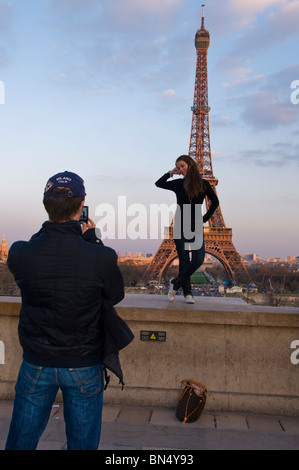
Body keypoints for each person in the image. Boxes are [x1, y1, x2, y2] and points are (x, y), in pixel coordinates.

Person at [5, 171, 125, 450]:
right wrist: (92, 239)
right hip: (83, 361)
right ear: (81, 206)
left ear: (46, 205)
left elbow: (37, 250)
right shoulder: (101, 256)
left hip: (36, 360)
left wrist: (52, 227)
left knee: (20, 442)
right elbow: (115, 295)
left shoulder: (20, 253)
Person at [155, 155, 219, 304]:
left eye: (182, 165)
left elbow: (215, 202)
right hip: (180, 223)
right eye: (178, 167)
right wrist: (171, 173)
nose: (181, 169)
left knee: (198, 259)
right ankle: (188, 294)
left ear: (190, 165)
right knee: (184, 261)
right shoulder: (178, 183)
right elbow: (159, 183)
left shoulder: (203, 184)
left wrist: (205, 218)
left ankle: (175, 284)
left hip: (196, 224)